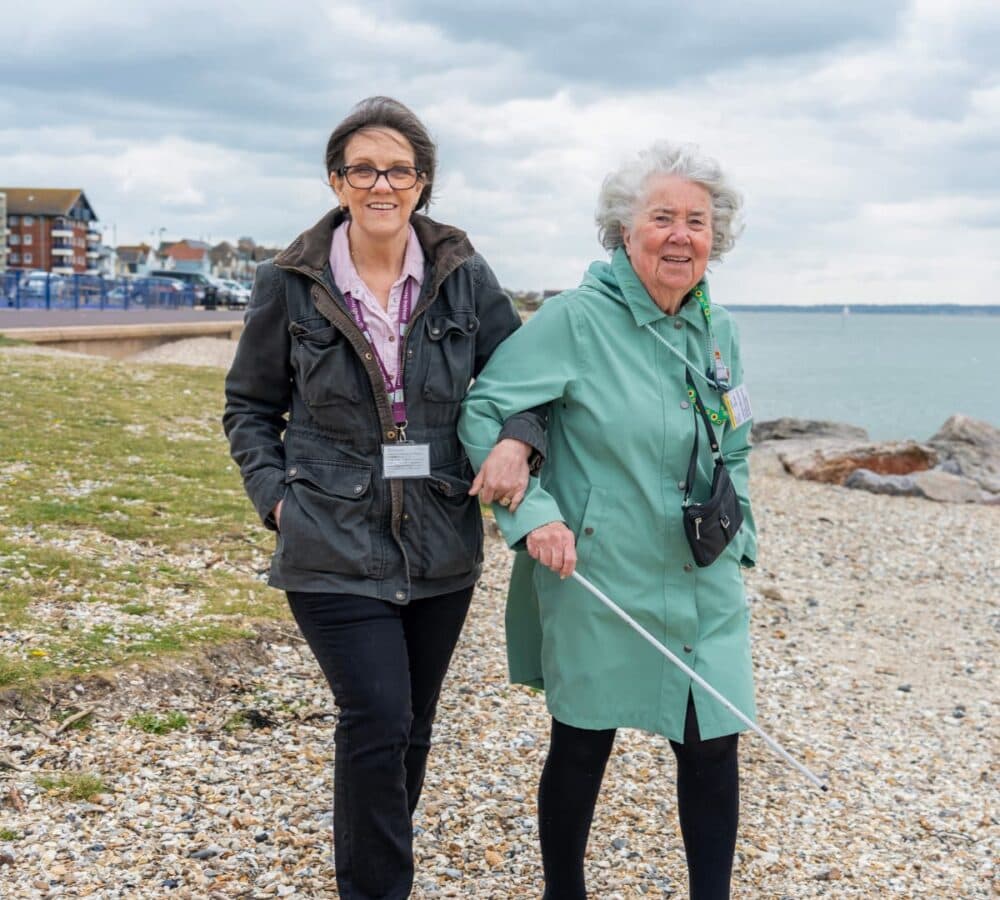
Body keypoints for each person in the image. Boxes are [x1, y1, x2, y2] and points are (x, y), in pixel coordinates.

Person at [223, 96, 546, 900]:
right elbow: (249, 407)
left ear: (422, 182)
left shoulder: (464, 276)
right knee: (376, 718)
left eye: (398, 169)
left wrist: (518, 440)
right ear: (337, 182)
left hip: (440, 541)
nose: (381, 183)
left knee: (409, 729)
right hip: (328, 538)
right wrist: (277, 502)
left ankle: (366, 871)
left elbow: (525, 384)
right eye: (362, 168)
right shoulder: (290, 284)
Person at [459, 140, 757, 900]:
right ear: (625, 232)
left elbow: (738, 440)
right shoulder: (576, 319)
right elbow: (488, 411)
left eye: (697, 220)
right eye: (663, 217)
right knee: (584, 741)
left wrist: (740, 535)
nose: (682, 235)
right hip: (596, 571)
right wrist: (536, 520)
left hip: (701, 575)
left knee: (713, 743)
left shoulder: (718, 330)